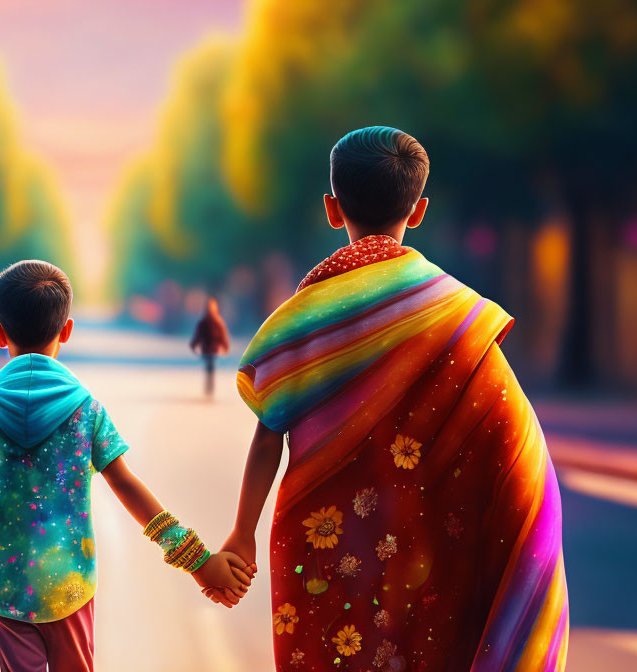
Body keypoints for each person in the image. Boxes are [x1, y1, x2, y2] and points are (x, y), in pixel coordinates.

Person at [209, 127, 568, 671]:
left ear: (333, 209)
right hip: (427, 547)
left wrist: (243, 533)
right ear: (419, 210)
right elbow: (511, 438)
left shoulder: (306, 316)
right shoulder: (452, 312)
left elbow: (268, 433)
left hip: (323, 543)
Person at [0, 260, 253, 672]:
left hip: (5, 586)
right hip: (70, 586)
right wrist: (197, 562)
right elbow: (129, 488)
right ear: (67, 331)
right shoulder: (86, 411)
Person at [189, 296, 230, 397]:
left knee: (211, 367)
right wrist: (194, 344)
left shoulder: (218, 322)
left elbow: (222, 335)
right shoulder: (203, 322)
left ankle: (210, 385)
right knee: (208, 367)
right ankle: (209, 385)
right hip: (206, 349)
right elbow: (198, 335)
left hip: (214, 349)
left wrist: (225, 346)